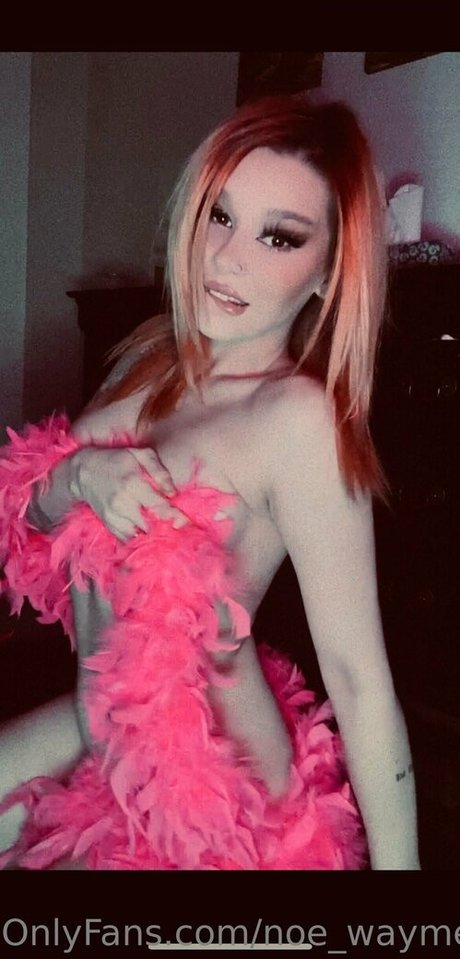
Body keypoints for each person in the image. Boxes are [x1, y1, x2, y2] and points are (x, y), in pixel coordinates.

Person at [0, 93, 419, 871]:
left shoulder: (297, 420)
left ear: (329, 271)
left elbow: (360, 682)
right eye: (219, 215)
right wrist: (82, 476)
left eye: (278, 236)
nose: (227, 257)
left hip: (219, 800)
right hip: (100, 730)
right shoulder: (148, 359)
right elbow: (29, 519)